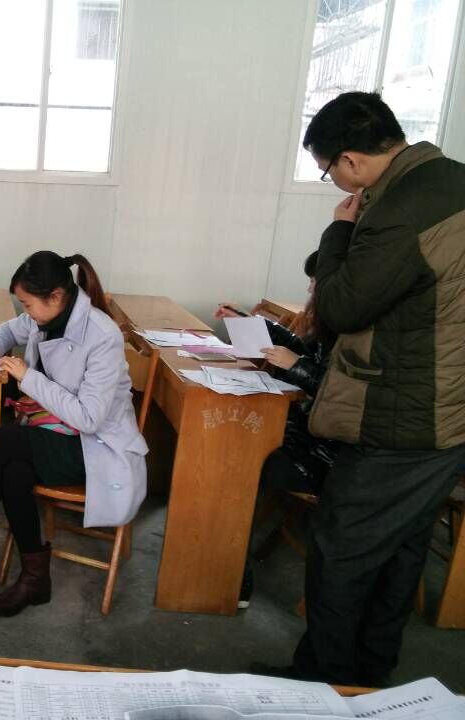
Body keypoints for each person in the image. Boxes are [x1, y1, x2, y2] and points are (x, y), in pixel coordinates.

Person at [257, 91, 465, 686]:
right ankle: (370, 674)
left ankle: (321, 682)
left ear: (350, 159)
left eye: (328, 171)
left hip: (402, 412)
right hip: (444, 410)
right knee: (401, 549)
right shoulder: (451, 181)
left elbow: (342, 306)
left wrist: (339, 229)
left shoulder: (403, 206)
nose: (336, 183)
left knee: (341, 546)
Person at [0, 251, 148, 616]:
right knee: (14, 472)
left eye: (28, 304)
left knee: (1, 442)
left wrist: (28, 377)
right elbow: (11, 329)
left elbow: (88, 419)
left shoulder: (102, 337)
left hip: (94, 448)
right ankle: (34, 579)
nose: (26, 312)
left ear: (55, 296)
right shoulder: (46, 316)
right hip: (55, 429)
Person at [217, 251, 338, 608]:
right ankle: (213, 551)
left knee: (245, 467)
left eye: (315, 282)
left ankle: (233, 574)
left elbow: (341, 394)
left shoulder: (357, 328)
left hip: (326, 454)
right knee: (229, 443)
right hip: (303, 432)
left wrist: (296, 365)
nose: (310, 289)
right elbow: (302, 349)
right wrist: (251, 324)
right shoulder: (331, 321)